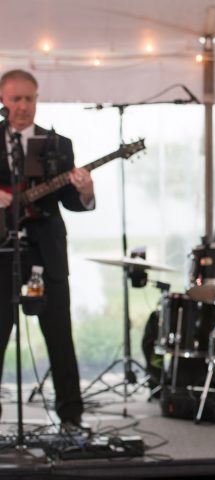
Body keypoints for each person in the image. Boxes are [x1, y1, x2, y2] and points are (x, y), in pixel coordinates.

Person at [0, 69, 95, 429]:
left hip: (47, 253)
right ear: (3, 100)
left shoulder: (59, 144)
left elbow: (73, 201)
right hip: (3, 254)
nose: (24, 106)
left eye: (30, 98)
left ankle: (71, 417)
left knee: (59, 336)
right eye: (16, 99)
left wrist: (85, 190)